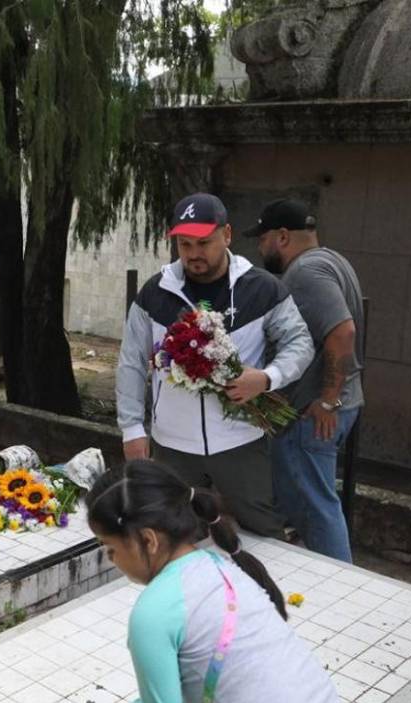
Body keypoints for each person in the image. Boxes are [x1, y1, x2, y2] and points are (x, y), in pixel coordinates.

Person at [58, 459, 354, 703]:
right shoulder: (219, 567)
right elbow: (185, 694)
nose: (113, 561)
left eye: (110, 549)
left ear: (148, 541)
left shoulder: (154, 612)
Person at [116, 192, 314, 537]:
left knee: (261, 531)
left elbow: (300, 343)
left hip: (239, 440)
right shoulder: (155, 293)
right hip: (172, 444)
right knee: (174, 533)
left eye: (204, 243)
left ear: (227, 235)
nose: (194, 254)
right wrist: (132, 428)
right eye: (185, 244)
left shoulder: (262, 289)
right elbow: (132, 361)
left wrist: (267, 378)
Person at [244, 199, 364, 563]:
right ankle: (312, 570)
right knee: (305, 502)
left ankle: (339, 586)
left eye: (262, 238)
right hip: (338, 405)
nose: (259, 247)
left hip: (317, 414)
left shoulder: (305, 273)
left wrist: (328, 399)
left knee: (317, 507)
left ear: (282, 237)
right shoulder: (333, 260)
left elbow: (343, 332)